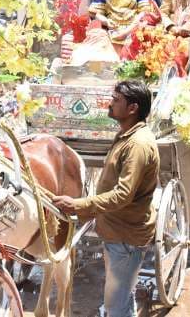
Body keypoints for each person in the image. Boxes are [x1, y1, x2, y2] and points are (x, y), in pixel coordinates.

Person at [53, 80, 160, 317]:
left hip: (126, 237)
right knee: (122, 297)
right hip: (117, 232)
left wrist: (80, 205)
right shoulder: (127, 136)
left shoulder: (138, 145)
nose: (110, 104)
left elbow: (123, 195)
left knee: (115, 307)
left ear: (132, 108)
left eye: (116, 100)